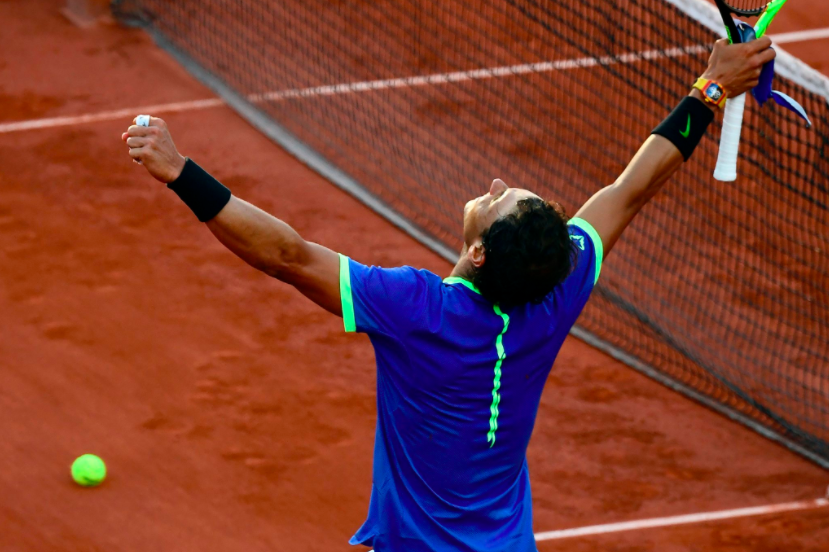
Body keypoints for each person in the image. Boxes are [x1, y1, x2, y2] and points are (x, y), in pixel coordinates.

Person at [122, 37, 775, 552]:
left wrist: (182, 173)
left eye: (496, 199)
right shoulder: (557, 289)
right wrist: (710, 88)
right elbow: (630, 189)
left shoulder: (415, 311)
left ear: (478, 252)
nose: (492, 183)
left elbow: (287, 256)